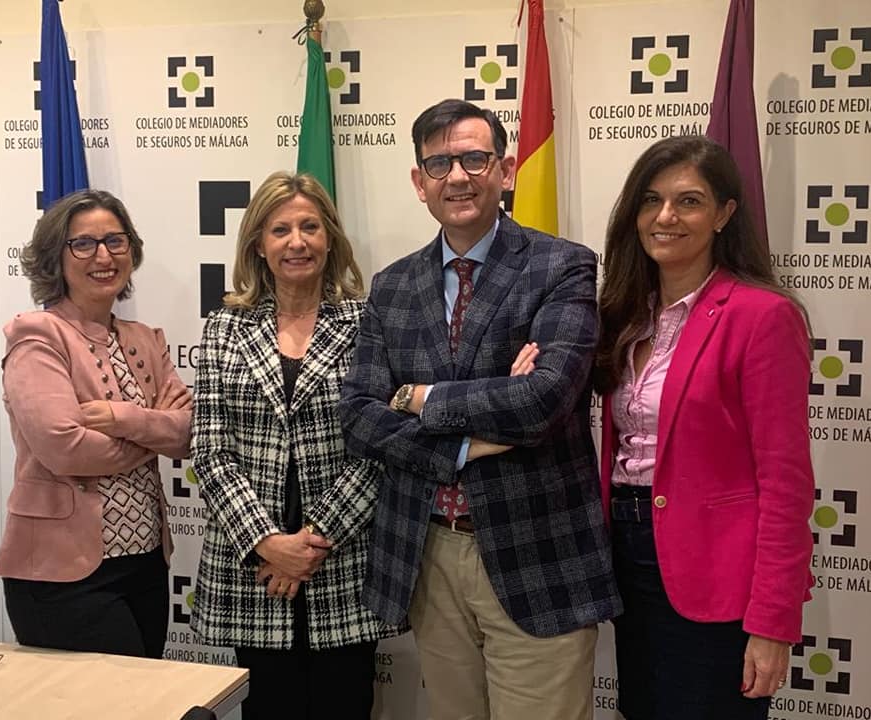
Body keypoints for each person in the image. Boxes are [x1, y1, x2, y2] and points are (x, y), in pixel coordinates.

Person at [338, 98, 620, 720]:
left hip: (537, 555)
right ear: (419, 182)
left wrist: (417, 398)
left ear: (505, 169)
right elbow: (358, 415)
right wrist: (464, 445)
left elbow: (543, 400)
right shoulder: (391, 286)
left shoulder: (562, 265)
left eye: (474, 158)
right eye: (439, 164)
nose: (458, 177)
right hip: (429, 553)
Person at [594, 135, 815, 720]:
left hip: (717, 574)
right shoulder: (625, 315)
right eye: (651, 200)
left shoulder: (762, 316)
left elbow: (786, 483)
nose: (665, 216)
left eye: (688, 201)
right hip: (629, 558)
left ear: (724, 214)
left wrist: (773, 621)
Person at [189, 171, 395, 720]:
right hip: (255, 571)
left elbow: (380, 445)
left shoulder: (368, 323)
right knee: (268, 709)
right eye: (280, 230)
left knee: (344, 706)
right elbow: (210, 450)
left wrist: (310, 544)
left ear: (330, 238)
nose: (296, 242)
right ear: (258, 244)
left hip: (343, 563)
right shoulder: (224, 327)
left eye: (309, 227)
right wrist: (267, 542)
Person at [0, 189, 192, 659]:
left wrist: (123, 418)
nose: (103, 256)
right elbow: (65, 448)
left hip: (147, 564)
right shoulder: (37, 336)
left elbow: (186, 434)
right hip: (62, 576)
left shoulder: (146, 340)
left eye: (115, 241)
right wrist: (152, 432)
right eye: (83, 244)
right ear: (55, 257)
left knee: (147, 696)